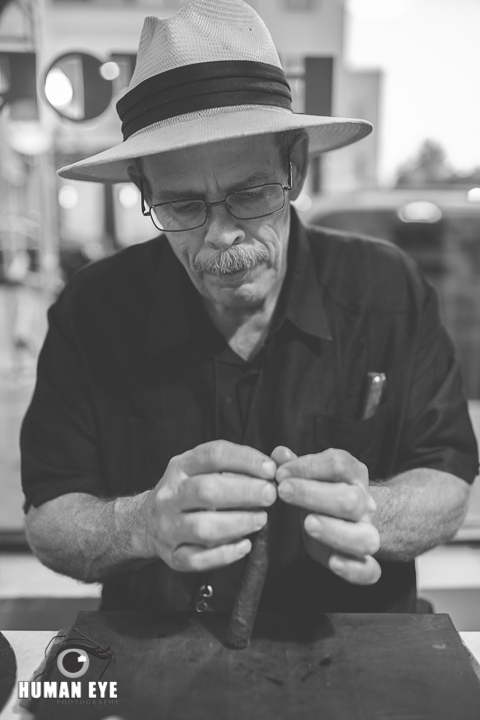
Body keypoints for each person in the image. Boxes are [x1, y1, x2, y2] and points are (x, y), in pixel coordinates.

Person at [21, 0, 478, 614]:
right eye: (182, 206)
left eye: (252, 194)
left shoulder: (385, 289)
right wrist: (140, 525)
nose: (221, 237)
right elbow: (49, 516)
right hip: (153, 663)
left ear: (296, 168)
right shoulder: (93, 310)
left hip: (357, 655)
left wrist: (379, 511)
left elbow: (446, 474)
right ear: (143, 190)